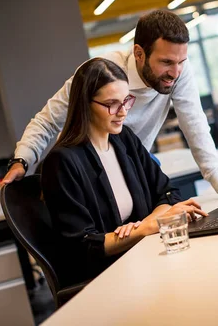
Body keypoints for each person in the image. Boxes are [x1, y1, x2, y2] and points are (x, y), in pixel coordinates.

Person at [3, 9, 218, 199]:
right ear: (139, 53)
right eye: (166, 62)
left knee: (167, 204)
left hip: (135, 161)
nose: (175, 72)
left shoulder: (179, 70)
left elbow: (194, 121)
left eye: (181, 61)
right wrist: (22, 160)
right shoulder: (101, 73)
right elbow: (47, 120)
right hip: (88, 167)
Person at [41, 58, 208, 283]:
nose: (122, 112)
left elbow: (167, 193)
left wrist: (151, 222)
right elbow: (82, 247)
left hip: (143, 261)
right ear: (85, 104)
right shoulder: (62, 162)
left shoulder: (124, 139)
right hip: (107, 278)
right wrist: (145, 229)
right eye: (112, 104)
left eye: (126, 101)